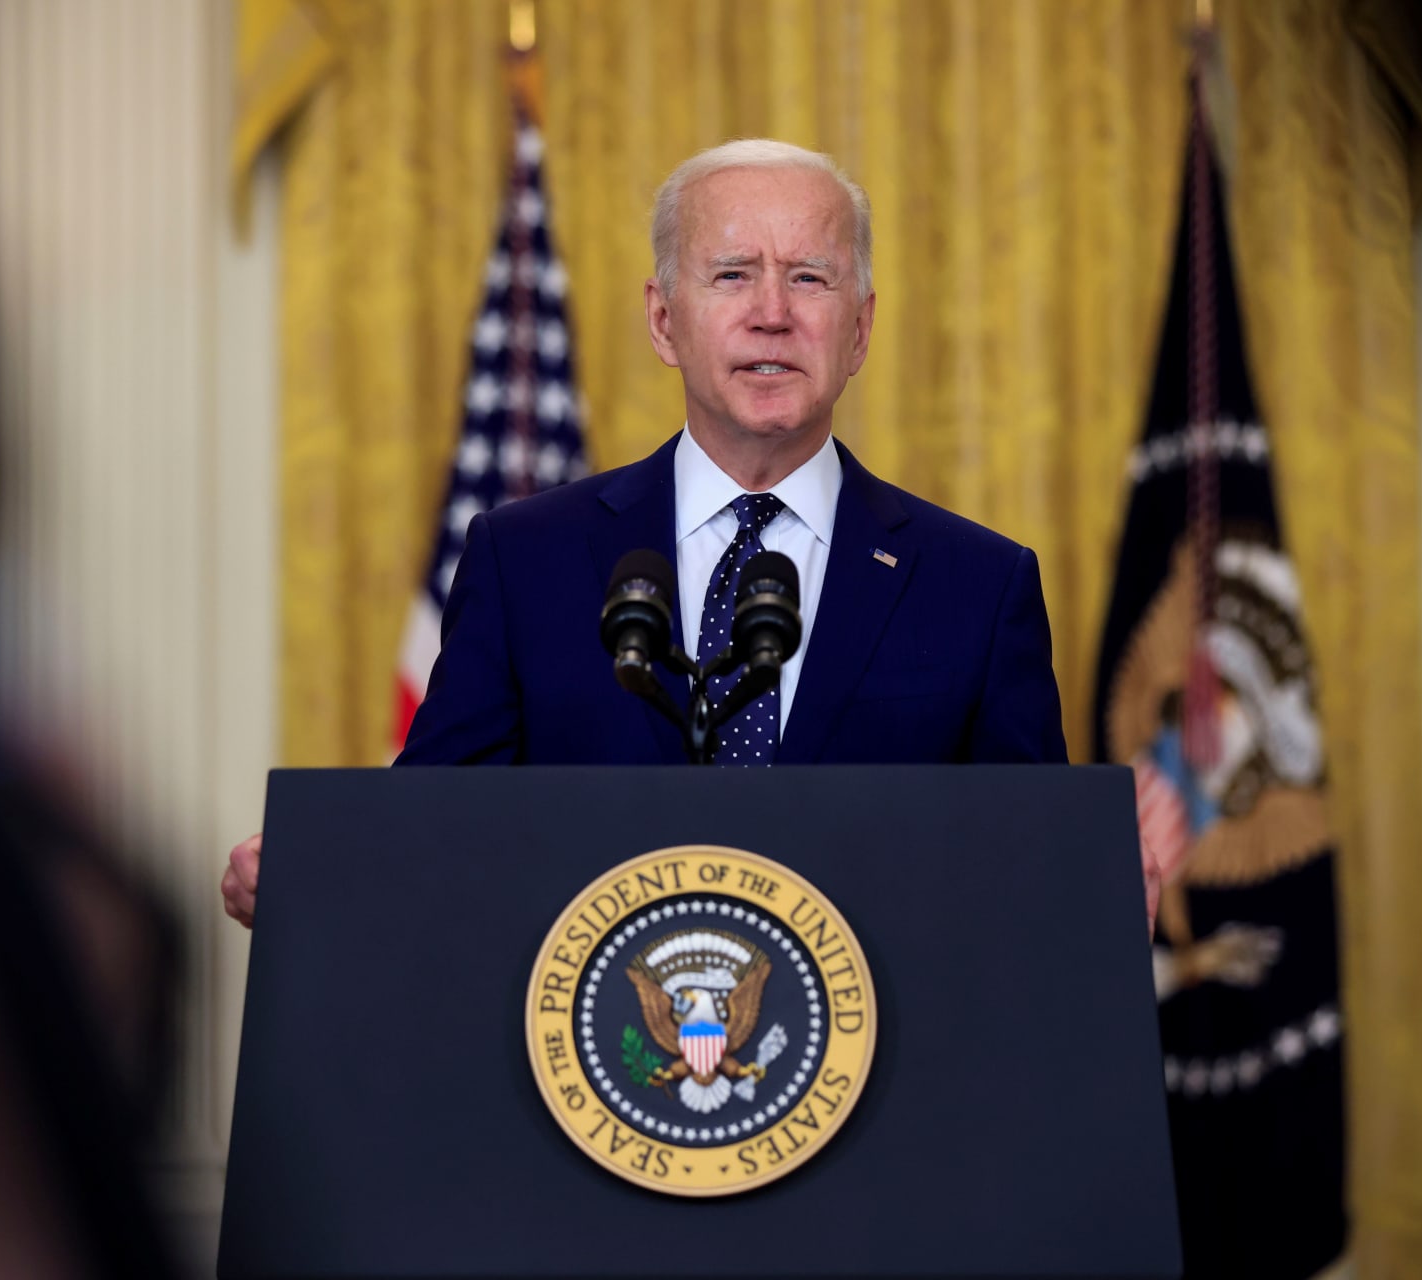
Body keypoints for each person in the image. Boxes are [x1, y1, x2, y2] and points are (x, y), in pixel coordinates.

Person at [224, 139, 1159, 928]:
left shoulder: (977, 586)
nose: (773, 312)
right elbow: (435, 828)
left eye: (810, 278)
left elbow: (1024, 871)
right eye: (732, 275)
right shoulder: (527, 560)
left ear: (862, 329)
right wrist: (317, 881)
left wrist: (1097, 896)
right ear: (665, 320)